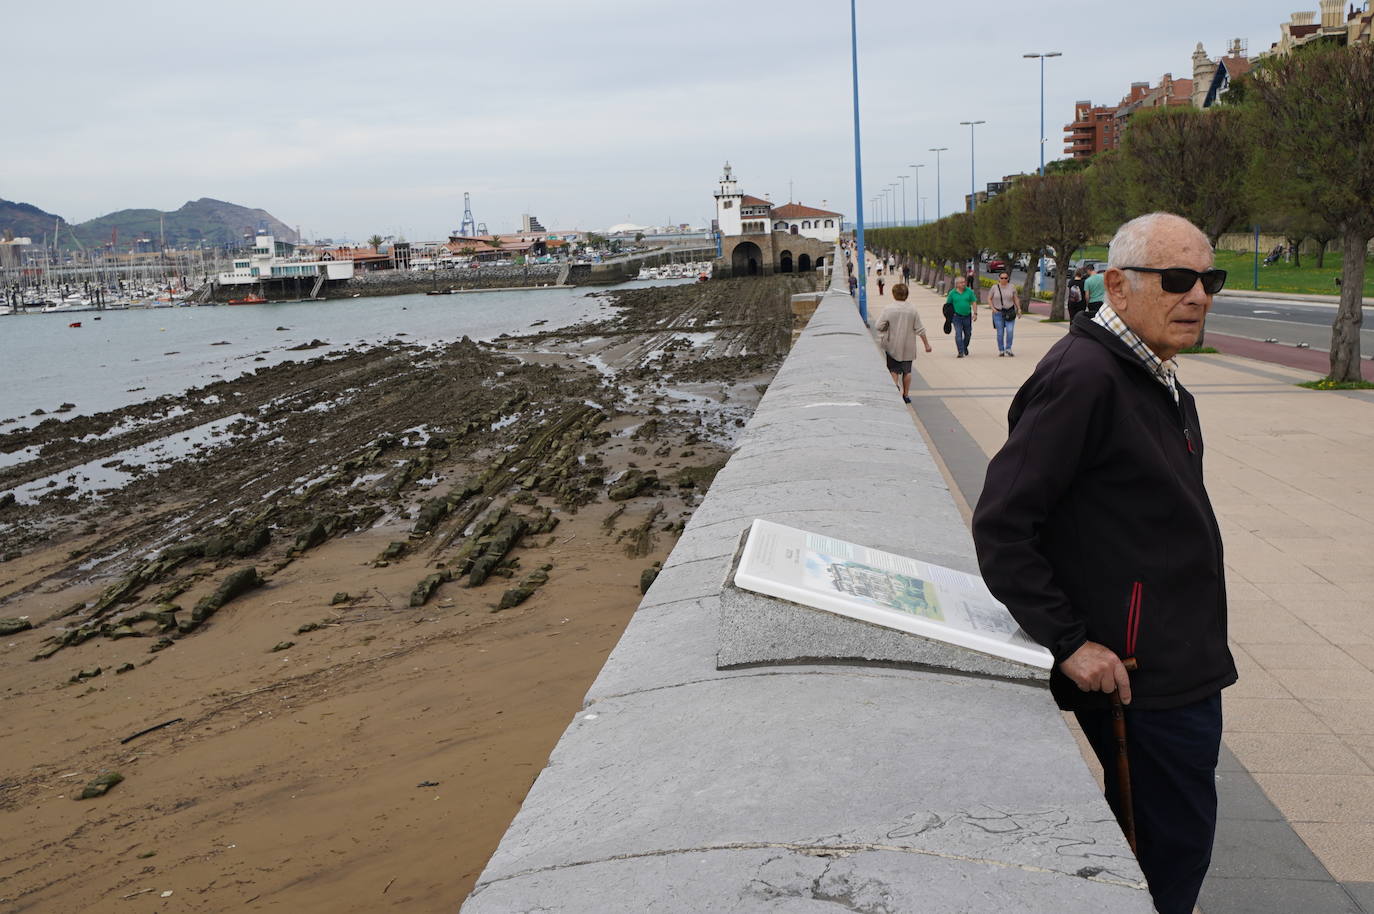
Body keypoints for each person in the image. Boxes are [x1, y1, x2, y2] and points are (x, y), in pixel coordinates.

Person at [971, 212, 1235, 914]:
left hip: (1177, 660)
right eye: (1177, 279)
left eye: (1211, 279)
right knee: (1169, 852)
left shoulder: (1150, 374)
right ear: (1118, 286)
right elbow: (1003, 522)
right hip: (1141, 680)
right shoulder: (1087, 376)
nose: (1199, 296)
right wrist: (1068, 641)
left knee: (1174, 842)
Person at [875, 283, 931, 403]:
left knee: (893, 370)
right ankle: (906, 395)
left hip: (892, 345)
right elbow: (920, 329)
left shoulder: (888, 309)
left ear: (894, 294)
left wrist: (887, 328)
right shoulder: (912, 309)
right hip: (908, 345)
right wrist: (926, 344)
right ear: (906, 295)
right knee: (907, 371)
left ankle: (895, 390)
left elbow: (878, 326)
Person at [988, 271, 1020, 357]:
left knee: (1010, 331)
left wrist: (1019, 309)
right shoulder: (994, 287)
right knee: (1000, 332)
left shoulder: (1012, 287)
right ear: (999, 279)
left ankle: (1008, 348)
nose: (1004, 280)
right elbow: (989, 298)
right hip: (998, 313)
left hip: (1010, 312)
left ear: (1008, 278)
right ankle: (1001, 349)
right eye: (1002, 278)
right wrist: (993, 308)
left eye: (1005, 278)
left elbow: (1015, 298)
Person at [945, 274, 978, 357]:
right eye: (961, 282)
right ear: (957, 284)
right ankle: (960, 352)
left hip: (967, 316)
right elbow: (947, 305)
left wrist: (975, 313)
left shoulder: (969, 291)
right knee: (958, 334)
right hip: (956, 317)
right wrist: (948, 317)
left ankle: (964, 346)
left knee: (968, 335)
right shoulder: (952, 293)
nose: (963, 284)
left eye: (964, 282)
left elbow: (974, 302)